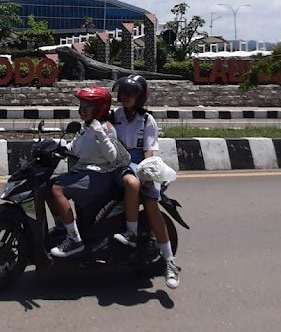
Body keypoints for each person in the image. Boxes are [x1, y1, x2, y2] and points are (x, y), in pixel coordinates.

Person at [110, 74, 181, 289]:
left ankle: (169, 262)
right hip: (122, 163)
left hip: (144, 163)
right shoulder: (115, 116)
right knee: (130, 183)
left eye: (130, 94)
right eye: (123, 93)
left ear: (140, 97)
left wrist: (148, 175)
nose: (125, 97)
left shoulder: (147, 120)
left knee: (151, 203)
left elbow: (149, 151)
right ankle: (129, 230)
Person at [47, 86, 131, 258]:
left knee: (57, 190)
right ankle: (63, 227)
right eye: (81, 105)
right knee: (47, 186)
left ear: (99, 108)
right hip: (86, 171)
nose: (82, 109)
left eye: (87, 106)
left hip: (100, 175)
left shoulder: (106, 128)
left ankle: (74, 239)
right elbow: (77, 148)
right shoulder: (86, 126)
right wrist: (56, 147)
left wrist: (100, 133)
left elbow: (112, 156)